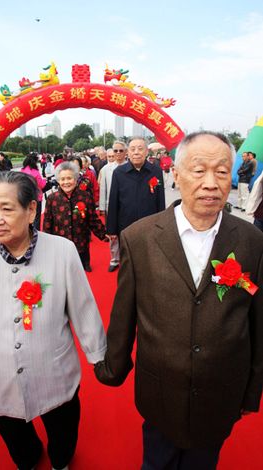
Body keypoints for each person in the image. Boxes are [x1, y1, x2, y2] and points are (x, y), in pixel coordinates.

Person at [95, 131, 263, 470]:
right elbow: (124, 312)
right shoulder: (139, 237)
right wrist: (114, 366)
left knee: (204, 462)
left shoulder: (251, 240)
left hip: (221, 389)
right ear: (176, 173)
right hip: (160, 388)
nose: (211, 183)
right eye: (199, 170)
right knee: (157, 460)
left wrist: (251, 390)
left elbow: (257, 322)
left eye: (221, 171)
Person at [0, 171, 106, 470]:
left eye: (7, 209)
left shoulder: (62, 251)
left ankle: (60, 462)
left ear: (32, 209)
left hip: (55, 369)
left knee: (63, 431)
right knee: (15, 436)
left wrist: (99, 356)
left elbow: (83, 307)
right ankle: (29, 458)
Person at [43, 161, 107, 272]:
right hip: (60, 246)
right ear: (58, 180)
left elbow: (92, 220)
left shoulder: (85, 196)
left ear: (76, 179)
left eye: (69, 178)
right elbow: (47, 223)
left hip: (81, 243)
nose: (66, 182)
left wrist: (105, 234)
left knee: (80, 274)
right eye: (62, 179)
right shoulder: (52, 198)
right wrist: (46, 245)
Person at [107, 137, 165, 238]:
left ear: (147, 152)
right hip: (126, 227)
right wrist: (111, 229)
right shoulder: (119, 173)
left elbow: (160, 200)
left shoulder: (156, 171)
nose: (136, 152)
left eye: (140, 149)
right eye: (133, 149)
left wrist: (161, 226)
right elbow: (113, 202)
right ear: (128, 153)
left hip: (150, 226)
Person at [99, 141, 127, 272]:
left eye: (121, 151)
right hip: (111, 206)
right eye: (115, 151)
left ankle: (128, 259)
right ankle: (114, 259)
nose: (118, 153)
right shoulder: (106, 169)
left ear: (126, 152)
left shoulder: (130, 167)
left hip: (127, 207)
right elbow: (103, 189)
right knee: (113, 234)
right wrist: (102, 207)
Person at [21, 152, 47, 230]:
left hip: (25, 196)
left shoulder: (22, 170)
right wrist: (44, 180)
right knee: (36, 217)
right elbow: (41, 185)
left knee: (27, 215)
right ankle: (36, 232)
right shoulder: (35, 172)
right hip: (36, 197)